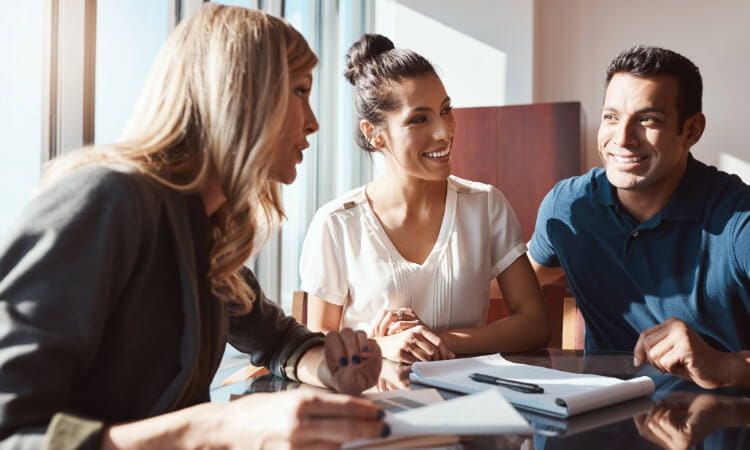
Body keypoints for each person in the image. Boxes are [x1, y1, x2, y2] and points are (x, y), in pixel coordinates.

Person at [0, 5, 388, 449]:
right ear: (241, 95)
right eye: (300, 91)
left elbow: (277, 339)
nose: (314, 121)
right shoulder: (107, 200)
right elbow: (12, 432)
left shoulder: (208, 232)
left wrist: (331, 366)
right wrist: (214, 427)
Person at [299, 34, 549, 364]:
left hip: (466, 403)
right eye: (419, 119)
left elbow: (534, 325)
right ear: (375, 133)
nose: (444, 131)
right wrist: (380, 345)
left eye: (446, 111)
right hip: (371, 405)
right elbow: (317, 341)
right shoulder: (337, 222)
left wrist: (430, 340)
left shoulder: (485, 205)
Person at [529, 45, 750, 389]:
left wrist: (725, 365)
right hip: (602, 421)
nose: (622, 139)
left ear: (691, 130)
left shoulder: (740, 221)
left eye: (648, 120)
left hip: (720, 426)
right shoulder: (569, 206)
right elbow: (513, 285)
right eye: (611, 117)